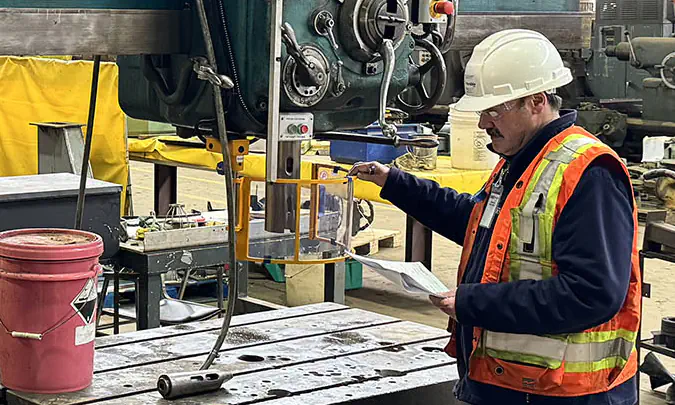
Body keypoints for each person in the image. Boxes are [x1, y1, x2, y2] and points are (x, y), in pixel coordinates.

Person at [349, 29, 640, 405]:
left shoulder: (588, 173)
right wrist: (398, 184)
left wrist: (474, 303)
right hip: (515, 385)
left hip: (565, 394)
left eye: (494, 110)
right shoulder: (524, 160)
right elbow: (479, 226)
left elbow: (592, 294)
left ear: (536, 101)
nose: (484, 123)